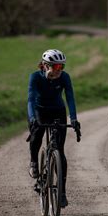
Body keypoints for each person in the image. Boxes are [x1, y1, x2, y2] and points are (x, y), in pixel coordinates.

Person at [27, 49, 80, 207]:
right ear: (44, 65)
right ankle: (34, 163)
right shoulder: (35, 77)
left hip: (57, 110)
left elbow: (70, 97)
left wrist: (74, 118)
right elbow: (30, 99)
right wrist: (32, 119)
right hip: (39, 110)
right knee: (37, 134)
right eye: (55, 67)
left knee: (60, 150)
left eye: (61, 67)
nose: (58, 71)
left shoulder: (64, 77)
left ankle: (62, 193)